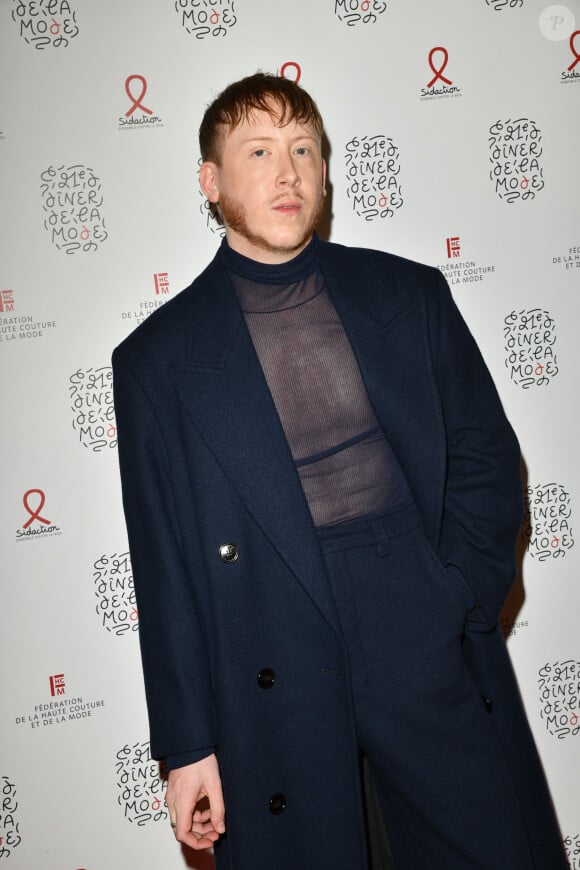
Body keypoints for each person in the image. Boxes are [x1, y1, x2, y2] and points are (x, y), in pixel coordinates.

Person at [112, 72, 567, 869]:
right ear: (211, 182)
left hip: (419, 631)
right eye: (258, 151)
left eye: (303, 150)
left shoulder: (410, 293)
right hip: (270, 651)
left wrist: (455, 596)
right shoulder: (155, 361)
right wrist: (186, 746)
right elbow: (165, 569)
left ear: (324, 173)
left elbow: (487, 463)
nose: (286, 171)